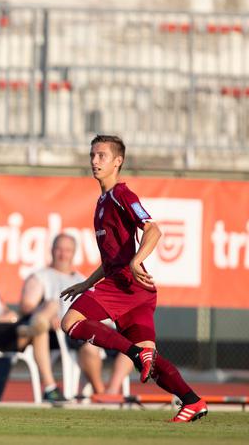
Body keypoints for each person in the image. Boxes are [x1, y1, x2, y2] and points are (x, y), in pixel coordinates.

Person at [60, 135, 207, 422]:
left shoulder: (121, 194)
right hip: (136, 290)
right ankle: (192, 400)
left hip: (125, 284)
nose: (94, 161)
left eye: (101, 156)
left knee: (70, 322)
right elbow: (110, 260)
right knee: (149, 362)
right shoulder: (103, 201)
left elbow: (153, 229)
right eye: (92, 155)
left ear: (118, 161)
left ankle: (136, 355)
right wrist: (86, 283)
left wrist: (137, 259)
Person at [21, 233, 133, 402]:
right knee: (90, 347)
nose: (63, 254)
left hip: (92, 325)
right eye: (59, 249)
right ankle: (100, 392)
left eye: (67, 250)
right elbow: (28, 307)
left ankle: (112, 391)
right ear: (51, 250)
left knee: (133, 344)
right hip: (67, 331)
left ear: (73, 253)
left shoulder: (82, 280)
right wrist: (48, 318)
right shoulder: (40, 277)